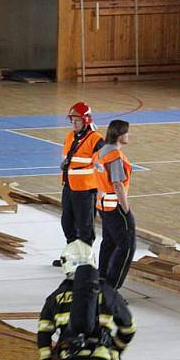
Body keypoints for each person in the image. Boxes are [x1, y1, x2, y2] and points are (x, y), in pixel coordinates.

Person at [55, 102, 105, 266]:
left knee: (85, 227)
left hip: (85, 189)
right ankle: (72, 257)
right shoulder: (70, 136)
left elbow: (102, 165)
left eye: (78, 121)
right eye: (73, 120)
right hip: (69, 186)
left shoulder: (96, 140)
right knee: (67, 223)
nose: (74, 124)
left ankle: (86, 262)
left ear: (86, 121)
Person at [94, 119, 136, 289]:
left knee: (109, 243)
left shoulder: (101, 152)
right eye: (126, 132)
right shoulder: (114, 156)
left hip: (103, 206)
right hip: (115, 207)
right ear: (119, 135)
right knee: (126, 247)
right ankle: (112, 288)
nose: (128, 135)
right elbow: (117, 184)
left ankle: (101, 278)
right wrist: (126, 210)